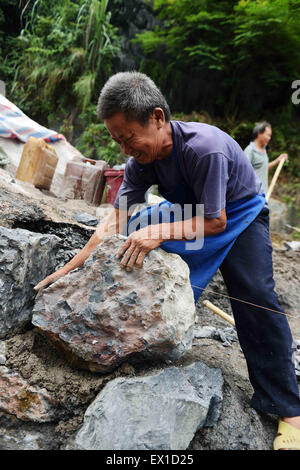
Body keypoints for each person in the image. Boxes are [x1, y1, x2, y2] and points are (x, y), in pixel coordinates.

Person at [34, 71, 300, 450]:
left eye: (129, 138)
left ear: (157, 118)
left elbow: (216, 219)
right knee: (137, 226)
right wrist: (65, 271)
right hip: (195, 211)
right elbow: (114, 221)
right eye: (117, 141)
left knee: (255, 294)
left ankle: (289, 410)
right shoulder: (141, 161)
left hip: (238, 214)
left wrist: (160, 233)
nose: (126, 149)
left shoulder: (203, 148)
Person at [244, 122, 288, 194]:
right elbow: (243, 173)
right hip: (253, 195)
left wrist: (278, 160)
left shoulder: (263, 149)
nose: (269, 138)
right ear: (259, 133)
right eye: (268, 135)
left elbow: (263, 167)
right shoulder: (250, 150)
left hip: (263, 193)